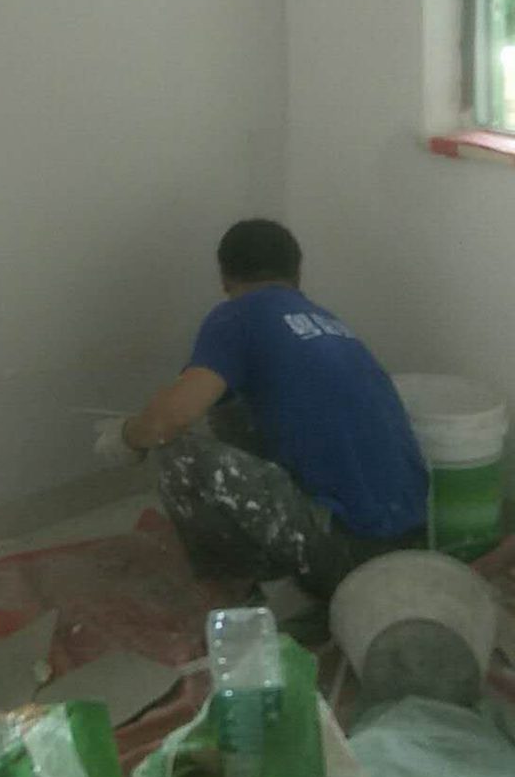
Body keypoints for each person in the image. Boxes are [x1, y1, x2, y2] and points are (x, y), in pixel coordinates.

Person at [94, 218, 427, 599]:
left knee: (178, 453)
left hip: (348, 559)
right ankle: (285, 569)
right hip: (407, 547)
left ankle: (243, 593)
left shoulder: (238, 315)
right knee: (229, 406)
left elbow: (167, 420)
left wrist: (126, 436)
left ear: (225, 278)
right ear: (297, 275)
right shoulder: (326, 324)